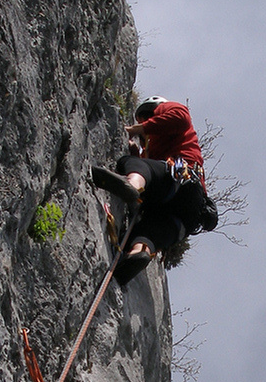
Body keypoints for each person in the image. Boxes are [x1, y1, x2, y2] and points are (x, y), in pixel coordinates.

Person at [91, 97, 218, 285]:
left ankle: (132, 185)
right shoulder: (155, 152)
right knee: (145, 232)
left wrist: (135, 131)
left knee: (131, 163)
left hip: (180, 180)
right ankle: (138, 253)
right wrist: (139, 153)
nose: (144, 125)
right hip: (185, 217)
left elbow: (180, 118)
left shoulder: (170, 109)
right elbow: (154, 171)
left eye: (145, 119)